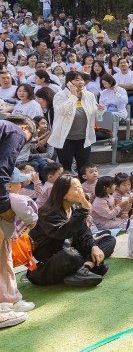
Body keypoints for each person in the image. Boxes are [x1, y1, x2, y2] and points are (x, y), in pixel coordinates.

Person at [27, 173, 116, 287]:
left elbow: (84, 233)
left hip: (72, 255)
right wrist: (83, 211)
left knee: (108, 240)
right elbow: (64, 232)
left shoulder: (74, 209)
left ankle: (83, 269)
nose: (81, 191)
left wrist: (94, 246)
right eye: (76, 188)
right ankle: (84, 268)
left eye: (80, 187)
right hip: (47, 265)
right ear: (63, 194)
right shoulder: (47, 214)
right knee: (70, 254)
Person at [0, 115, 37, 328]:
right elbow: (1, 172)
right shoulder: (14, 131)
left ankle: (9, 300)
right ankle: (5, 305)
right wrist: (4, 207)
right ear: (25, 128)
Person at [49, 72, 105, 179]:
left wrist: (100, 109)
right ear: (69, 82)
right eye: (77, 80)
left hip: (83, 138)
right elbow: (60, 111)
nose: (81, 82)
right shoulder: (60, 95)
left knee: (84, 168)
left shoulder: (89, 95)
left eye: (82, 80)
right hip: (65, 138)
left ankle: (83, 191)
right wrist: (73, 97)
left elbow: (93, 113)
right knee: (65, 167)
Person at [113, 57, 133, 127]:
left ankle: (131, 117)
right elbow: (114, 87)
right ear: (118, 65)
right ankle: (117, 119)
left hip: (131, 95)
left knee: (132, 101)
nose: (122, 64)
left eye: (124, 62)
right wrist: (127, 86)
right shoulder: (115, 76)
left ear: (128, 64)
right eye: (120, 63)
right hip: (119, 95)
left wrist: (120, 85)